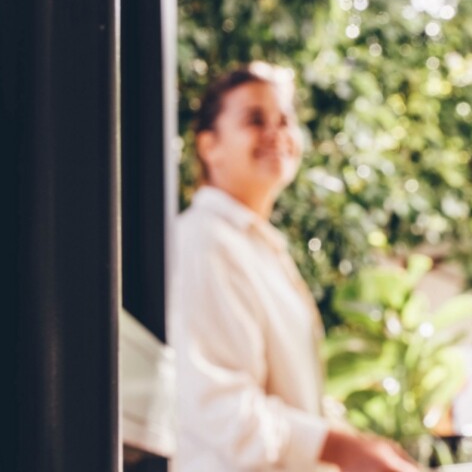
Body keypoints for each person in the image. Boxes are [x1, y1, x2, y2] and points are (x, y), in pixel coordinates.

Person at [169, 64, 417, 472]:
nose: (276, 132)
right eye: (255, 119)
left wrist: (357, 444)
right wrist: (340, 447)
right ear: (209, 146)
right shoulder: (204, 242)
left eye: (285, 119)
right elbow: (217, 406)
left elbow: (290, 402)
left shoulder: (258, 247)